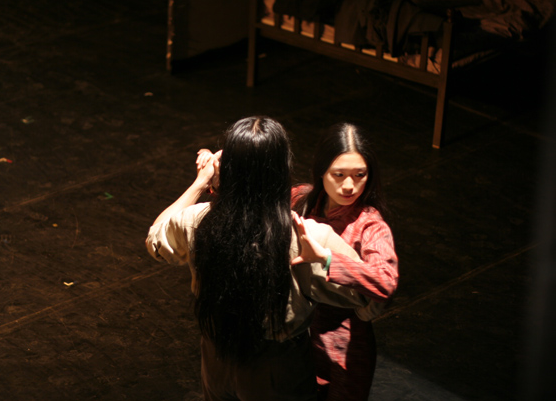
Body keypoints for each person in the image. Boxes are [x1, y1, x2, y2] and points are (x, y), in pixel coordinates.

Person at [145, 116, 377, 401]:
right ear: (282, 171)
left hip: (217, 357)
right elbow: (370, 296)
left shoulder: (195, 220)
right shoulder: (307, 236)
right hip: (277, 368)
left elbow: (155, 238)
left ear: (227, 169)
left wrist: (200, 182)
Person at [292, 122, 399, 401]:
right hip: (296, 338)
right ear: (321, 171)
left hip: (343, 349)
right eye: (338, 175)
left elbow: (385, 281)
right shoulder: (301, 199)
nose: (349, 185)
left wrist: (327, 258)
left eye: (359, 175)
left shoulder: (370, 224)